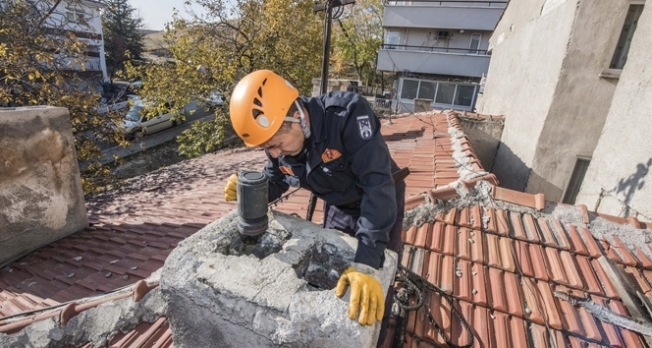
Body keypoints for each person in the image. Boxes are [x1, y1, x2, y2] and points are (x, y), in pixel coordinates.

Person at [223, 69, 405, 346]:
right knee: (335, 270)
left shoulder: (347, 115)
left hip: (379, 199)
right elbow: (277, 178)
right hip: (339, 203)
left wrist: (367, 262)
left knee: (373, 276)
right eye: (266, 148)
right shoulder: (278, 143)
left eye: (275, 144)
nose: (274, 153)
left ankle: (377, 336)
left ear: (296, 117)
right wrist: (251, 191)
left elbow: (376, 186)